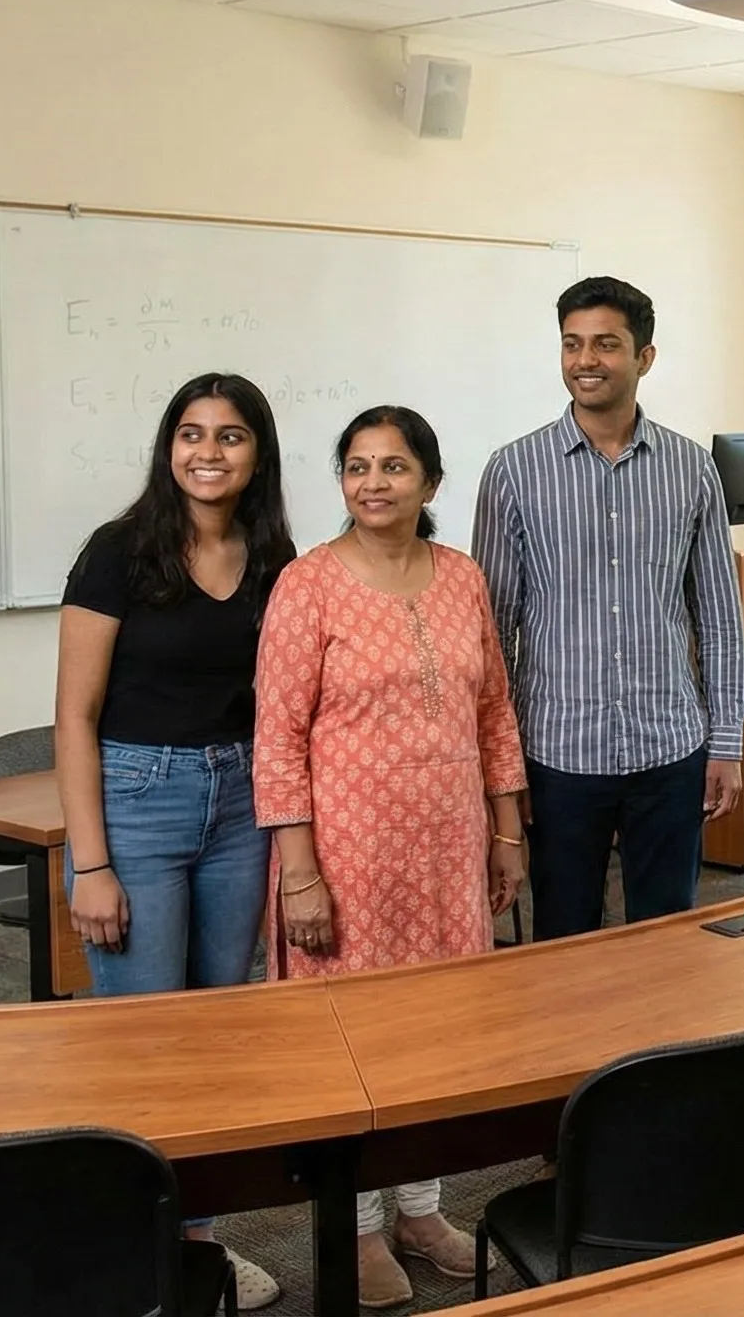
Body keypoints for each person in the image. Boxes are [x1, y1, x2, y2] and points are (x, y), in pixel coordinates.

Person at [254, 406, 528, 1310]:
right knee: (355, 1049)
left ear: (431, 483)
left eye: (394, 467)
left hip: (448, 850)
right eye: (357, 467)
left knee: (442, 1035)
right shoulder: (308, 586)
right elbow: (278, 738)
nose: (373, 482)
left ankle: (420, 1207)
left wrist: (505, 831)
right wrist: (300, 874)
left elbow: (493, 713)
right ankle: (359, 1224)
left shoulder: (461, 577)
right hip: (347, 857)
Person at [54, 371, 292, 1311]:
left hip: (240, 801)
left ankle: (196, 1244)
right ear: (167, 448)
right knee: (146, 1039)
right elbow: (73, 718)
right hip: (136, 801)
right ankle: (129, 1245)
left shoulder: (273, 556)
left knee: (216, 1030)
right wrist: (94, 865)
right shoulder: (118, 553)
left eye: (229, 436)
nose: (207, 452)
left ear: (257, 454)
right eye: (190, 434)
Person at [472, 276, 744, 939]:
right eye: (572, 344)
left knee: (669, 935)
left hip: (670, 746)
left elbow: (720, 617)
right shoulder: (514, 470)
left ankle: (669, 1046)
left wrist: (727, 742)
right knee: (564, 938)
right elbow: (488, 635)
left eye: (605, 344)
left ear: (644, 357)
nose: (585, 360)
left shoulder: (692, 468)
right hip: (558, 750)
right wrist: (499, 767)